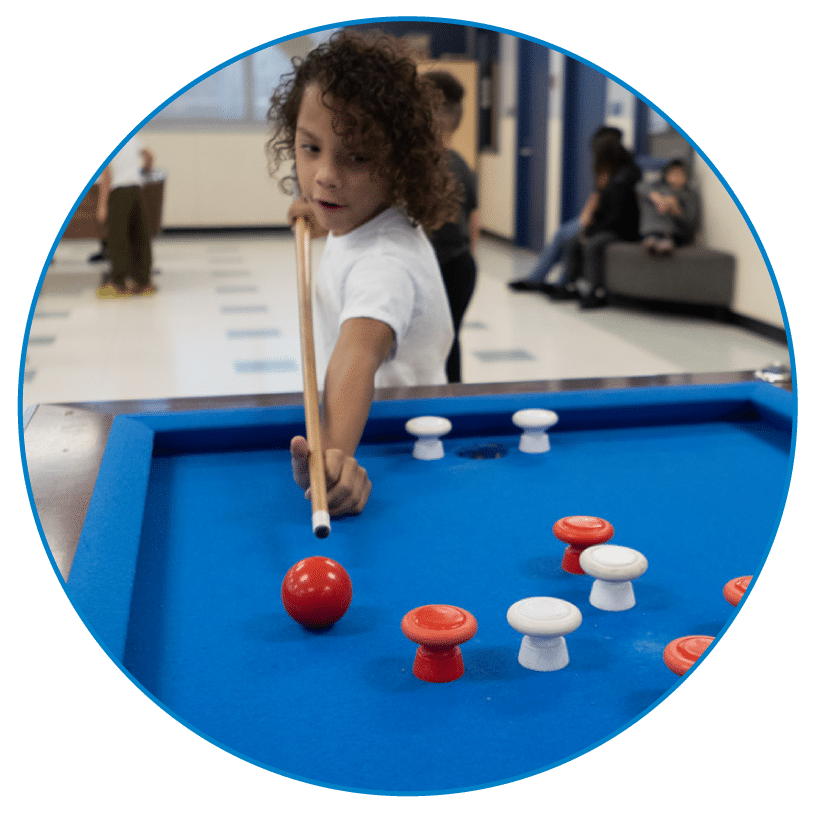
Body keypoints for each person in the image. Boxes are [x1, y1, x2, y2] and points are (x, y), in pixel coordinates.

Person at [266, 31, 459, 517]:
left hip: (400, 450)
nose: (325, 175)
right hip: (391, 430)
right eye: (310, 148)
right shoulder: (361, 215)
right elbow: (337, 215)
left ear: (400, 164)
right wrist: (315, 214)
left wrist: (333, 458)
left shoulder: (385, 265)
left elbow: (357, 354)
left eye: (356, 156)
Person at [507, 126, 623, 293]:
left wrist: (586, 221)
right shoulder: (604, 170)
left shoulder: (620, 171)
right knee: (563, 234)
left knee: (567, 235)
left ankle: (556, 282)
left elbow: (605, 203)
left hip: (605, 223)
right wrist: (584, 217)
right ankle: (538, 279)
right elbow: (595, 196)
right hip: (595, 218)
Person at [423, 70, 479, 384]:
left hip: (447, 268)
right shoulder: (462, 163)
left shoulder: (435, 166)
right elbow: (474, 223)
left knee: (442, 343)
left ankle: (447, 397)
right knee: (449, 340)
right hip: (460, 266)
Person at [552, 136, 641, 309]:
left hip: (622, 229)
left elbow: (617, 216)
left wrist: (592, 232)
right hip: (607, 226)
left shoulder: (624, 178)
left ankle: (596, 291)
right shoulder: (609, 176)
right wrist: (589, 228)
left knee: (592, 245)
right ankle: (571, 285)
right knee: (574, 241)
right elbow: (602, 209)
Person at [95, 133, 157, 298]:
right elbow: (149, 155)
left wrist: (102, 205)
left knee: (118, 239)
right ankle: (144, 282)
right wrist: (146, 169)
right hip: (135, 190)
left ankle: (118, 284)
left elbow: (107, 176)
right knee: (140, 236)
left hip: (118, 192)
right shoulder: (130, 137)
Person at [637, 159, 700, 255]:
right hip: (654, 228)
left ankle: (664, 239)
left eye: (680, 174)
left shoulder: (690, 195)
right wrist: (659, 200)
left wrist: (676, 209)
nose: (676, 178)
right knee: (648, 200)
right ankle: (653, 237)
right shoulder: (659, 187)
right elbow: (640, 187)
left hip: (676, 233)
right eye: (673, 174)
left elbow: (691, 223)